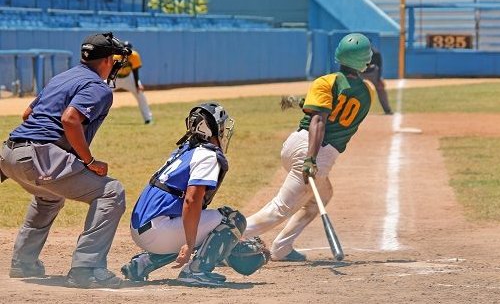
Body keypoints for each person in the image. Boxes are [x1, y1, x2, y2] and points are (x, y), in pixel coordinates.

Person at [0, 32, 130, 288]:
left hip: (8, 153)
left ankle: (23, 263)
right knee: (111, 192)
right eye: (114, 59)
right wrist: (89, 161)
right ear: (105, 61)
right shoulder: (97, 87)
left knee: (49, 196)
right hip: (37, 156)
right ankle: (87, 268)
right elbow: (70, 119)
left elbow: (28, 114)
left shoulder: (63, 77)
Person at [243, 33, 376, 261]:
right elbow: (323, 119)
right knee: (280, 209)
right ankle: (225, 240)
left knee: (322, 197)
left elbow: (321, 116)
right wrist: (311, 159)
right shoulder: (368, 93)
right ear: (365, 62)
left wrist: (301, 104)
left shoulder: (325, 82)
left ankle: (281, 248)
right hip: (316, 152)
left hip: (299, 146)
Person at [120, 102, 269, 286]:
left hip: (143, 228)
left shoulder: (185, 150)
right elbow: (191, 200)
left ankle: (141, 264)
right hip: (158, 231)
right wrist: (190, 244)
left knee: (195, 224)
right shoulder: (207, 155)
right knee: (232, 219)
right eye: (220, 126)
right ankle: (196, 272)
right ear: (212, 128)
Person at [113, 41, 153, 124]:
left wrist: (137, 85)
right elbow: (110, 71)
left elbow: (135, 71)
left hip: (129, 78)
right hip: (116, 78)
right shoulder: (116, 56)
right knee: (101, 93)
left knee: (140, 95)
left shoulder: (134, 55)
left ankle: (148, 119)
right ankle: (93, 117)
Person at [361, 46, 393, 115]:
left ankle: (387, 110)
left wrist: (379, 79)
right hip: (360, 73)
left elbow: (379, 66)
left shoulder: (376, 53)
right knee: (355, 89)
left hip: (373, 72)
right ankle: (355, 111)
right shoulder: (358, 53)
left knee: (381, 88)